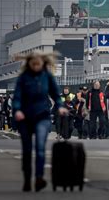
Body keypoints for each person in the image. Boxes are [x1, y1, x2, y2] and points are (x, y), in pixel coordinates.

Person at [13, 51, 68, 192]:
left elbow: (56, 94)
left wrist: (60, 107)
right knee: (27, 149)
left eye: (39, 64)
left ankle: (38, 178)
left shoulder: (47, 77)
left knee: (40, 148)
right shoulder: (23, 78)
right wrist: (17, 110)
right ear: (29, 64)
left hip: (42, 116)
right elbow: (17, 96)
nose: (36, 67)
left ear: (43, 64)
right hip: (25, 117)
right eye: (34, 64)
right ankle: (27, 179)